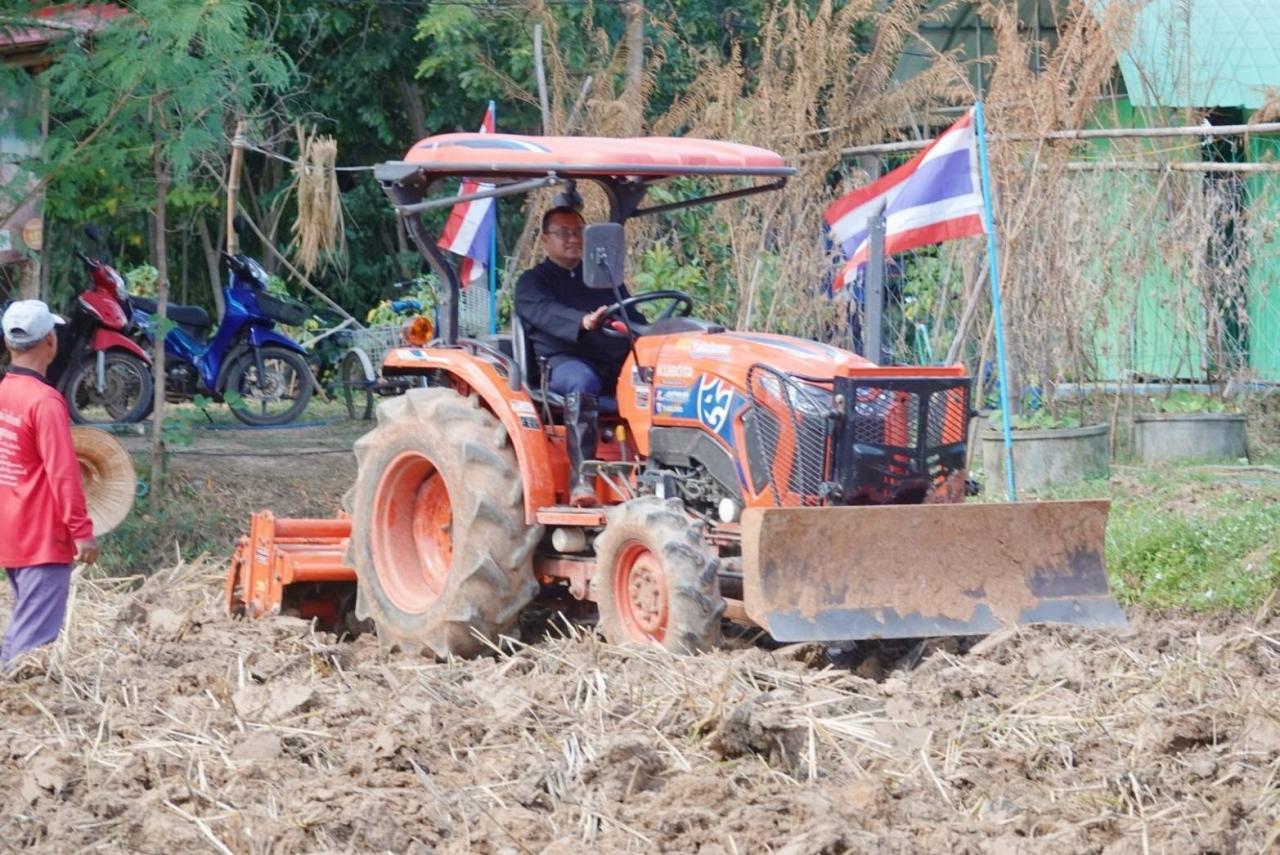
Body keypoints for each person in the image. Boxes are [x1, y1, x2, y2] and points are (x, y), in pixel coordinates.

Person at [515, 207, 641, 507]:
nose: (573, 239)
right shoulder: (533, 282)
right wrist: (582, 321)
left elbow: (633, 316)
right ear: (545, 240)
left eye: (578, 232)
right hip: (562, 364)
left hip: (610, 361)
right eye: (564, 233)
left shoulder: (605, 280)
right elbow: (545, 313)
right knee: (582, 381)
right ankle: (582, 478)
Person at [0, 300, 98, 666]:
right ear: (51, 343)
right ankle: (15, 708)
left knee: (23, 627)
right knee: (32, 649)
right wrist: (82, 531)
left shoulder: (4, 392)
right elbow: (63, 474)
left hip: (11, 532)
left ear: (9, 344)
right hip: (41, 539)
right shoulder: (45, 402)